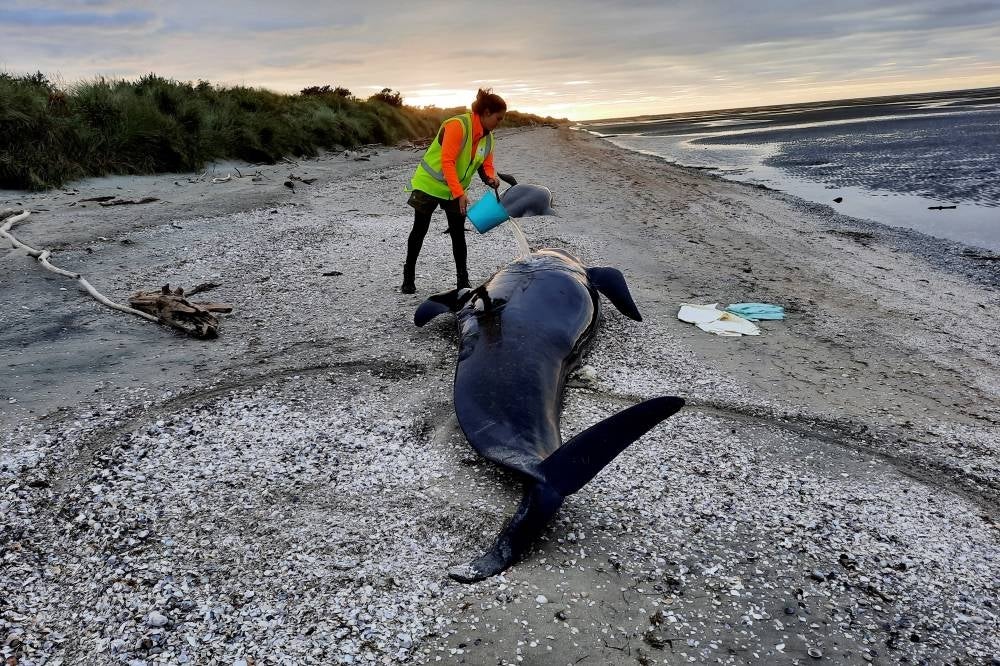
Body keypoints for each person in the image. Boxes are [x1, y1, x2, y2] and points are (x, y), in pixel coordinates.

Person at [401, 88, 506, 294]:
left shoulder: (488, 138)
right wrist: (460, 194)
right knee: (419, 230)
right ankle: (408, 276)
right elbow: (447, 162)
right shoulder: (458, 125)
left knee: (458, 234)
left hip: (454, 190)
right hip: (429, 185)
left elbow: (485, 165)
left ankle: (463, 281)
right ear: (486, 113)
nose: (499, 123)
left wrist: (491, 179)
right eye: (498, 118)